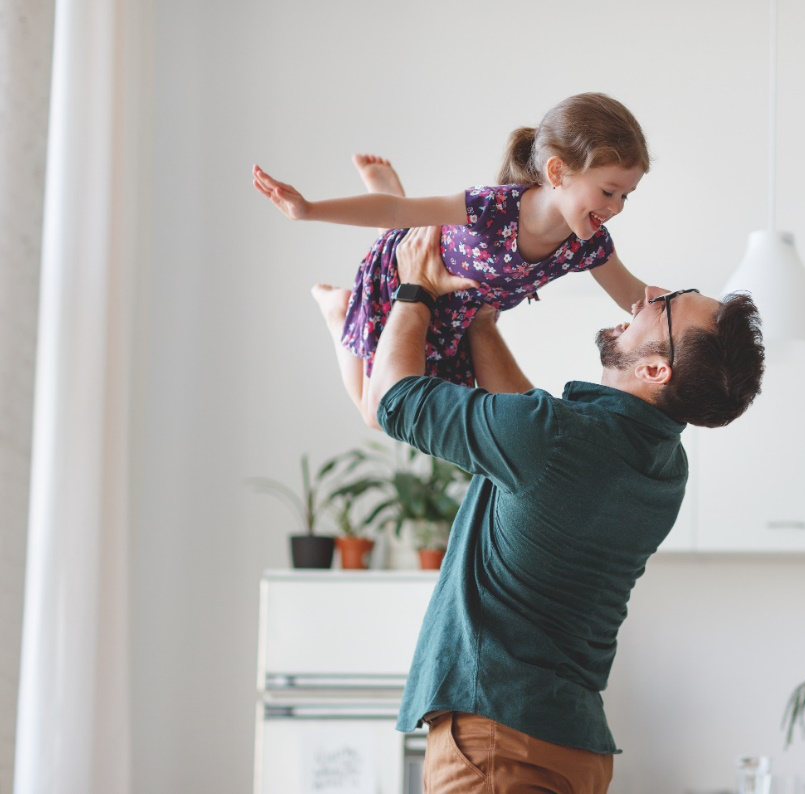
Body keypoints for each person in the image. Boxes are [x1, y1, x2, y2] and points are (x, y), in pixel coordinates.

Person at [366, 223, 765, 793]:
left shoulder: (553, 438)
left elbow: (391, 398)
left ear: (655, 369)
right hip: (571, 748)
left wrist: (416, 288)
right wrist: (480, 322)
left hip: (497, 744)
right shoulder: (663, 466)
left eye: (668, 305)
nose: (649, 294)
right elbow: (531, 439)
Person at [252, 92, 654, 426]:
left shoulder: (588, 245)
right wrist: (308, 209)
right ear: (557, 171)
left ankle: (394, 212)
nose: (617, 207)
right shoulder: (493, 208)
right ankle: (338, 310)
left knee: (408, 412)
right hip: (402, 281)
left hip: (455, 319)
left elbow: (636, 295)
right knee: (376, 415)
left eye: (626, 195)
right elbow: (392, 211)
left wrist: (710, 311)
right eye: (608, 192)